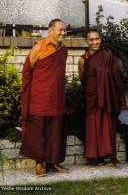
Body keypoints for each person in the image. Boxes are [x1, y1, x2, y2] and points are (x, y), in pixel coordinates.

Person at [20, 19, 69, 177]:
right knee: (39, 131)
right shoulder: (39, 46)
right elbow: (27, 71)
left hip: (57, 97)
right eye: (60, 30)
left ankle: (54, 162)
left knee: (56, 131)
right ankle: (39, 163)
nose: (63, 33)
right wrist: (29, 93)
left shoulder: (64, 50)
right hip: (40, 97)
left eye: (64, 30)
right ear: (50, 31)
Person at [78, 29, 126, 167]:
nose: (94, 42)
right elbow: (83, 80)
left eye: (97, 39)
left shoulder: (108, 56)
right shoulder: (83, 60)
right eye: (91, 40)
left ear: (101, 39)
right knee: (92, 124)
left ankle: (110, 155)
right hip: (92, 96)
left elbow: (117, 74)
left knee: (107, 124)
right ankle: (94, 157)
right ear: (87, 42)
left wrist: (104, 76)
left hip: (107, 97)